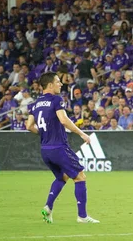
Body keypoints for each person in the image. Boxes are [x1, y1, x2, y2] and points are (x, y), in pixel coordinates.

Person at [26, 72, 100, 224]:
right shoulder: (56, 100)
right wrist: (82, 134)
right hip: (59, 147)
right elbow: (64, 120)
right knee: (80, 177)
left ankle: (48, 207)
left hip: (45, 149)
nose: (61, 84)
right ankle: (82, 216)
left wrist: (45, 135)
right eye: (58, 81)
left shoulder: (35, 103)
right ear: (50, 85)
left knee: (63, 176)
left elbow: (29, 126)